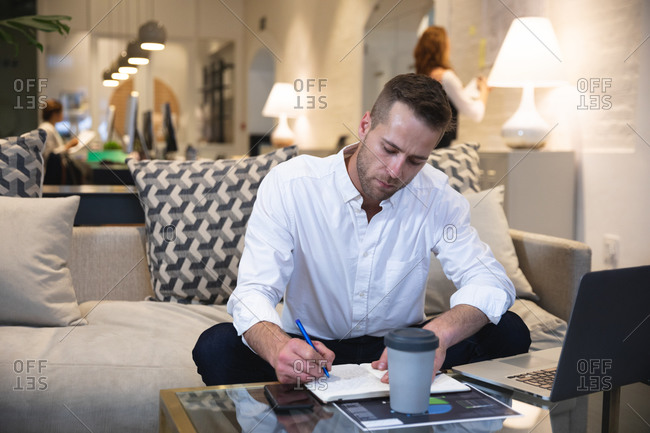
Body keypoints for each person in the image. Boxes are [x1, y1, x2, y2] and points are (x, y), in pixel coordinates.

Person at [192, 73, 530, 386]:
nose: (397, 171)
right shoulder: (292, 185)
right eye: (390, 149)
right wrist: (278, 346)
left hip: (399, 352)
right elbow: (253, 292)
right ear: (365, 124)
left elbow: (491, 282)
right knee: (216, 347)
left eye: (416, 161)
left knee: (510, 331)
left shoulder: (436, 196)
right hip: (313, 350)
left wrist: (436, 336)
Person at [414, 26, 489, 148]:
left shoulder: (420, 79)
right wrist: (484, 90)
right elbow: (475, 114)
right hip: (440, 149)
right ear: (443, 49)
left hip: (421, 148)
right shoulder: (446, 78)